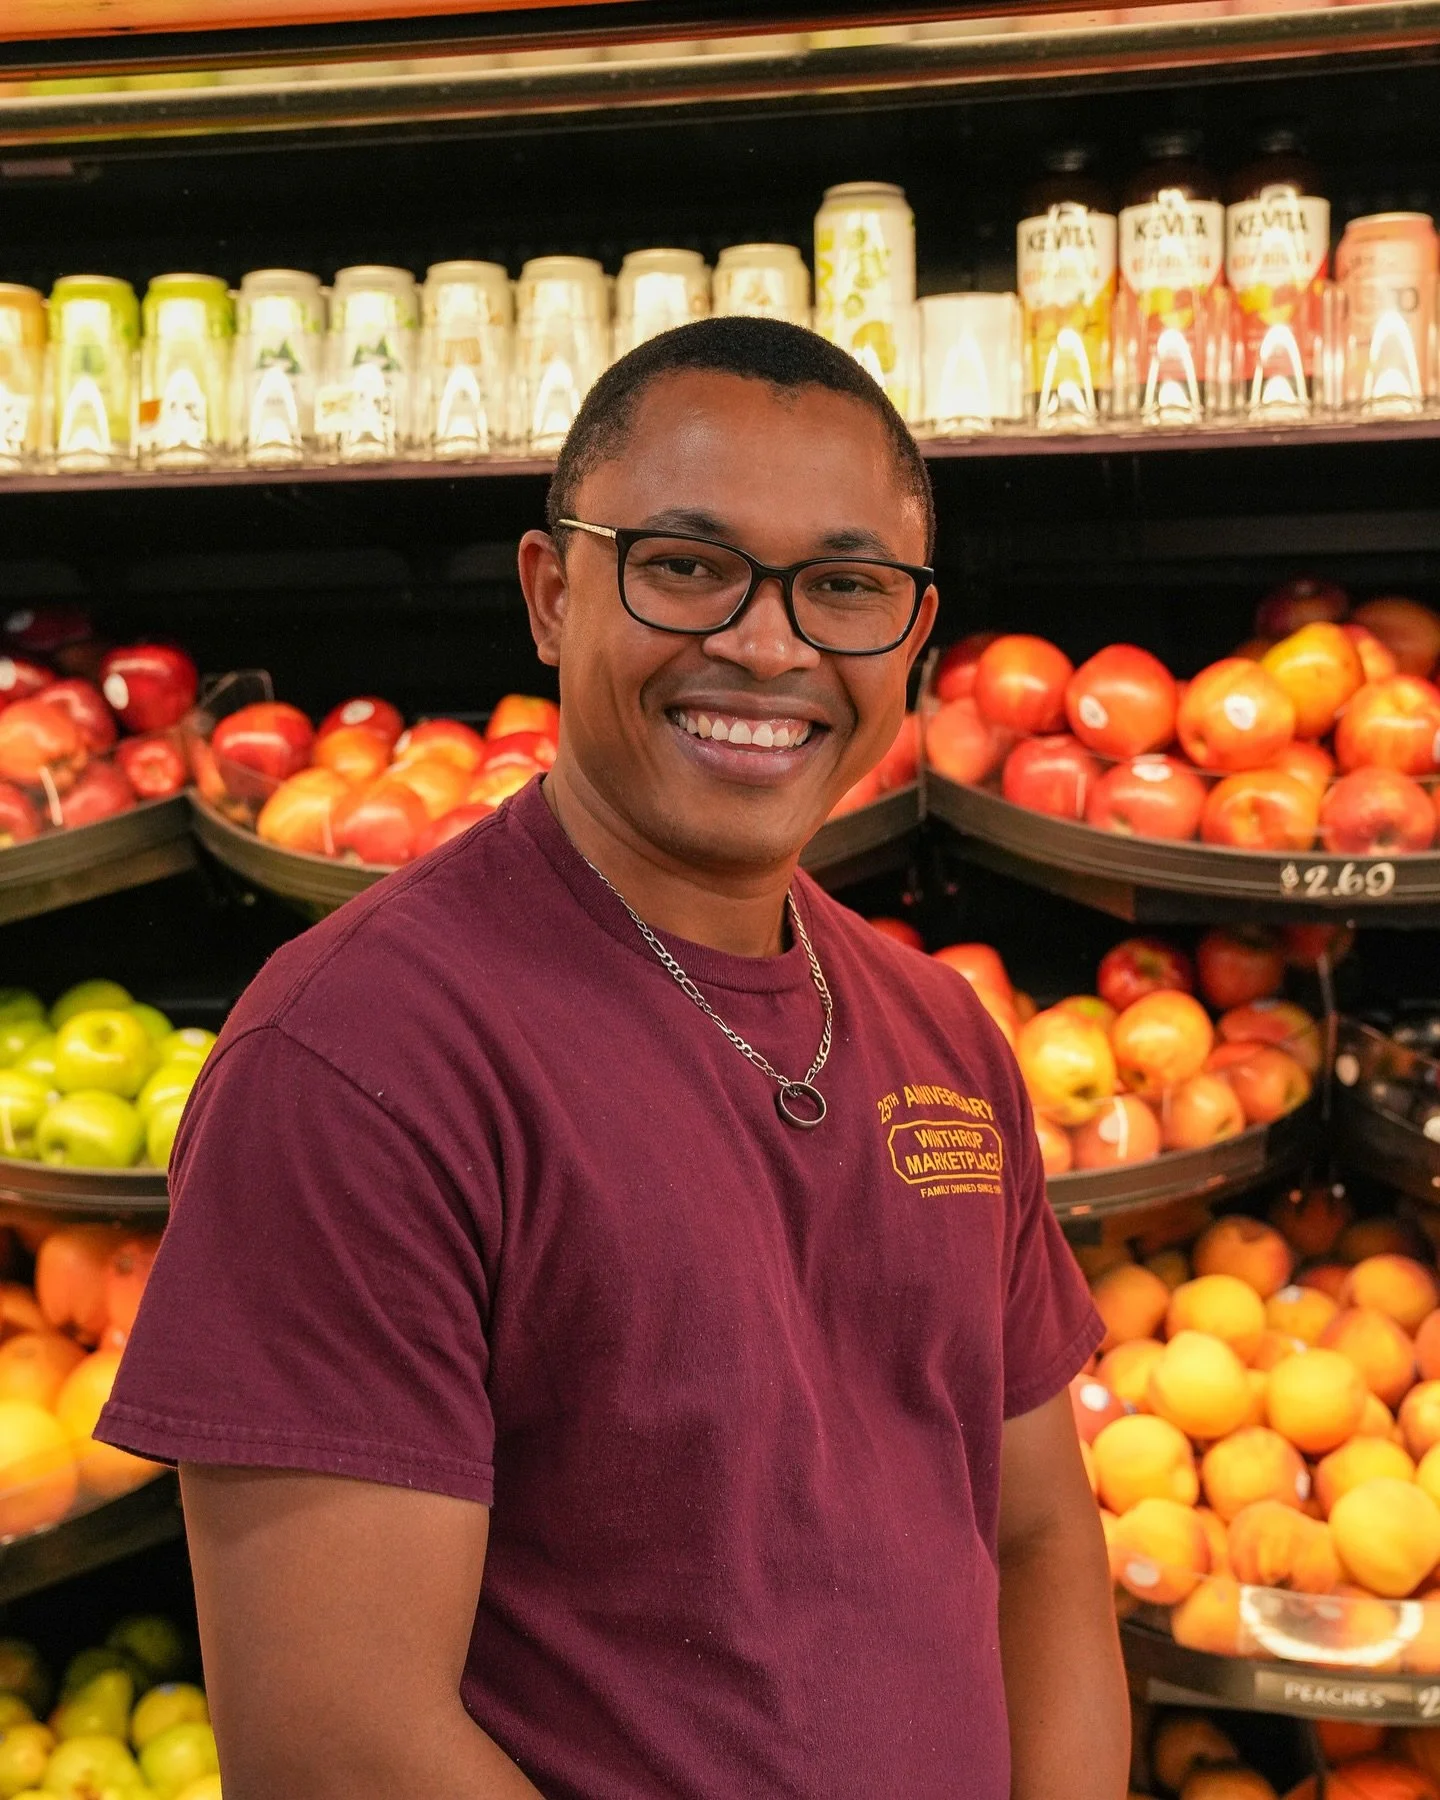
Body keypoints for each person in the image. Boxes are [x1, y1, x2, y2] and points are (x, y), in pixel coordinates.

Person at [99, 315, 1126, 1800]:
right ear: (551, 590)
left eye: (844, 587)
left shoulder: (941, 1034)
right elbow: (340, 1744)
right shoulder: (355, 1058)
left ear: (910, 635)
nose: (767, 645)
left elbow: (1036, 1539)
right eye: (688, 567)